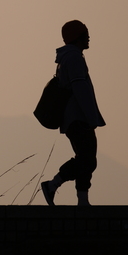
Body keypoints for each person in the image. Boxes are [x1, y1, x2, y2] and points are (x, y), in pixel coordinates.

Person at [41, 20, 106, 206]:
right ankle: (53, 185)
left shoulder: (68, 57)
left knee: (85, 159)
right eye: (85, 34)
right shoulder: (74, 58)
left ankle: (82, 200)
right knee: (87, 160)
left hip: (73, 118)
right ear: (77, 37)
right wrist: (91, 117)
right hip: (78, 118)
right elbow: (80, 90)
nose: (88, 38)